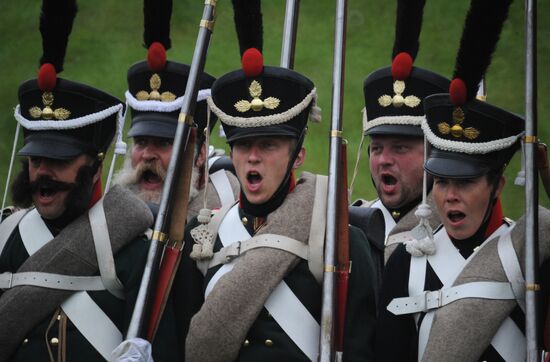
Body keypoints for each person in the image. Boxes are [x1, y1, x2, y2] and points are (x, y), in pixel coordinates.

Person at [170, 45, 377, 361]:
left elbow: (361, 350)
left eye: (268, 145)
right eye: (242, 145)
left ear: (298, 156)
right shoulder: (203, 235)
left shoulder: (341, 240)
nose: (253, 157)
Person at [0, 1, 178, 360]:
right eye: (35, 160)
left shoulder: (133, 250)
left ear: (96, 167)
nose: (42, 174)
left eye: (59, 161)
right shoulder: (6, 237)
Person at [374, 1, 549, 360]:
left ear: (496, 187)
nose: (449, 196)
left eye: (465, 183)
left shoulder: (531, 256)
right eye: (440, 182)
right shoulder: (406, 264)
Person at [350, 0, 449, 294]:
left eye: (401, 148)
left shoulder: (456, 228)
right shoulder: (352, 222)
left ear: (436, 154)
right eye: (377, 148)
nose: (384, 160)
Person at [112, 0, 238, 220]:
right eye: (141, 142)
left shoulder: (226, 215)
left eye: (164, 143)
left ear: (200, 154)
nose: (148, 155)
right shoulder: (111, 217)